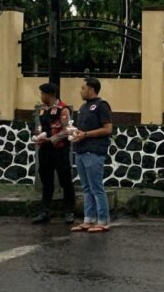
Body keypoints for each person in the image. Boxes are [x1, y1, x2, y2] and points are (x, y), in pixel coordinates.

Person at [69, 77, 113, 233]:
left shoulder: (101, 106)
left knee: (96, 187)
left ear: (91, 89)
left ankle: (103, 220)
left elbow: (107, 129)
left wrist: (86, 134)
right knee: (86, 188)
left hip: (94, 151)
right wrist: (75, 133)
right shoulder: (83, 107)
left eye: (83, 88)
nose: (80, 91)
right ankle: (89, 219)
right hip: (80, 150)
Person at [31, 83, 76, 225]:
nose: (41, 96)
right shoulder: (43, 110)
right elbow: (40, 127)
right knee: (46, 180)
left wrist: (51, 139)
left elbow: (67, 130)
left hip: (60, 150)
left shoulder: (63, 109)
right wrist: (38, 135)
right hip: (45, 149)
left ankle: (69, 211)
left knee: (65, 180)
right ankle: (45, 211)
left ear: (50, 95)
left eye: (43, 94)